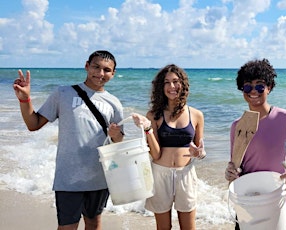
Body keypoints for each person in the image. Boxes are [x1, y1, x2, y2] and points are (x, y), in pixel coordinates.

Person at [12, 50, 124, 230]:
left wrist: (115, 135)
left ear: (113, 73)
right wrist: (25, 100)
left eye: (107, 70)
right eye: (96, 67)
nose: (100, 73)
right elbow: (34, 124)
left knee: (94, 224)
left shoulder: (114, 103)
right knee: (67, 227)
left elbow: (119, 141)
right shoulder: (63, 93)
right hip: (68, 178)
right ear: (87, 66)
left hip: (100, 177)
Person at [131, 64, 205, 230]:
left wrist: (200, 153)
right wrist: (148, 129)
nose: (172, 86)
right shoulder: (153, 115)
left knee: (189, 227)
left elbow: (201, 151)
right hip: (159, 174)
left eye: (175, 81)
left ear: (183, 85)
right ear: (161, 87)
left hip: (185, 174)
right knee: (163, 228)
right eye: (166, 82)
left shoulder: (196, 115)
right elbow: (156, 155)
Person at [224, 58, 286, 229]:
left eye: (260, 86)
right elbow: (237, 165)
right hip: (248, 201)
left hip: (279, 199)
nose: (253, 91)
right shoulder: (237, 126)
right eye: (247, 86)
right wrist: (231, 173)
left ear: (269, 88)